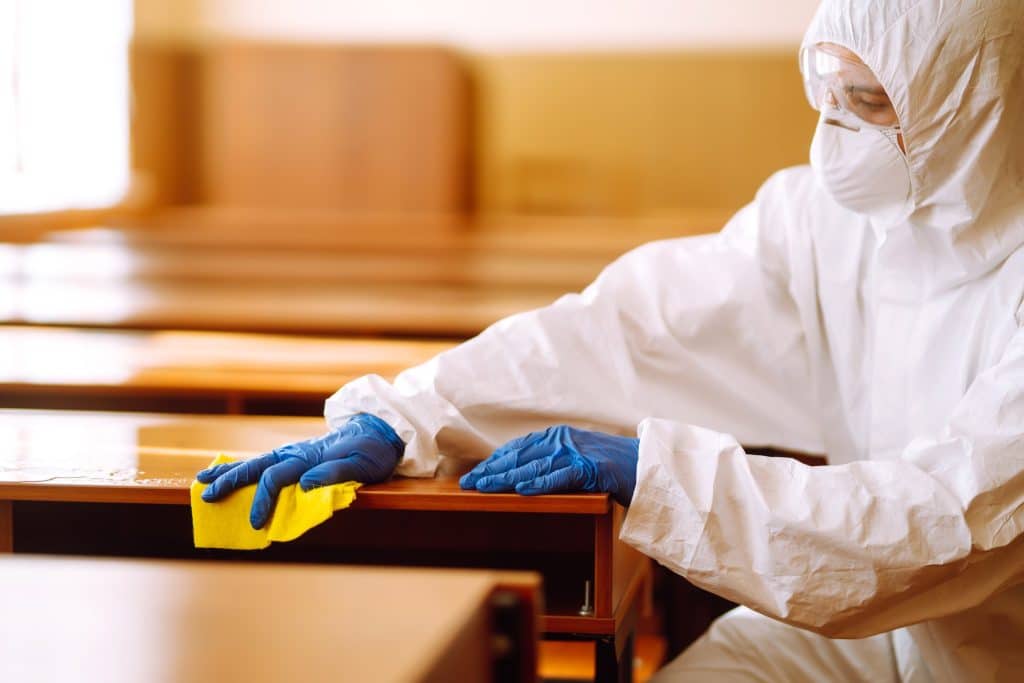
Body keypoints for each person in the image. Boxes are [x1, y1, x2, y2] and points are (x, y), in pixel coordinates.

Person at [198, 0, 1024, 679]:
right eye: (829, 92)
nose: (836, 130)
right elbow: (630, 326)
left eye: (871, 103)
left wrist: (657, 474)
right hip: (875, 644)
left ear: (979, 103)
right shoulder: (829, 221)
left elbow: (940, 528)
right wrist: (411, 414)